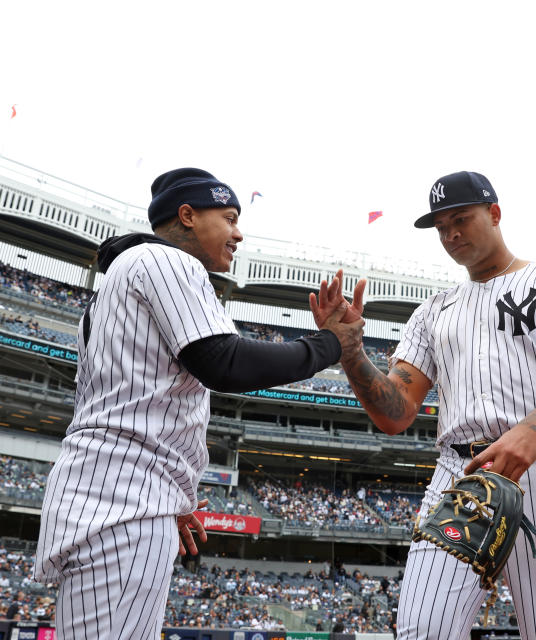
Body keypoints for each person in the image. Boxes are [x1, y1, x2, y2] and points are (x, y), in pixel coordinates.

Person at [34, 168, 359, 639]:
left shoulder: (113, 288)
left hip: (109, 490)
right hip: (127, 501)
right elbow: (223, 361)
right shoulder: (165, 261)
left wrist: (172, 496)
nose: (238, 232)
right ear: (187, 216)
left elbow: (127, 403)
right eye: (228, 218)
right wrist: (330, 344)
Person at [313, 170, 536, 639]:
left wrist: (531, 430)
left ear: (494, 214)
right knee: (422, 631)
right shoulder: (433, 311)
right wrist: (350, 351)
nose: (451, 234)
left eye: (461, 219)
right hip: (460, 474)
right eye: (441, 227)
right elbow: (396, 412)